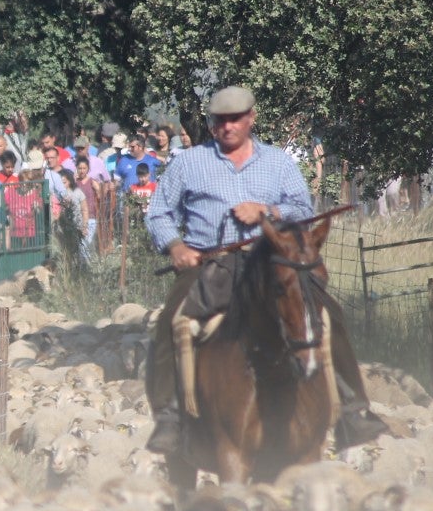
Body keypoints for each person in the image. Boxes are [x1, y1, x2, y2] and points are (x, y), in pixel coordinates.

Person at [143, 85, 387, 454]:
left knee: (327, 312)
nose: (227, 127)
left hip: (272, 260)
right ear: (211, 125)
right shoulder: (188, 163)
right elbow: (158, 212)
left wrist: (267, 212)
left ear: (251, 118)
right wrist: (176, 246)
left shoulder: (277, 162)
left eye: (235, 120)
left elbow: (302, 210)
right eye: (220, 121)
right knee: (173, 320)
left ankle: (354, 410)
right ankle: (170, 415)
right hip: (211, 261)